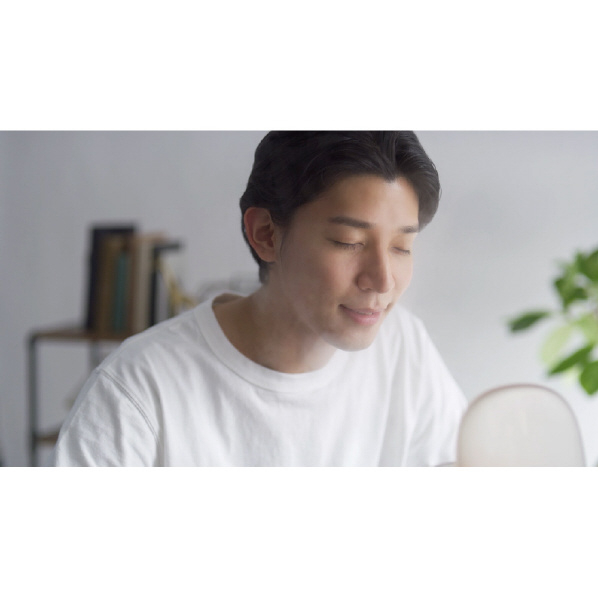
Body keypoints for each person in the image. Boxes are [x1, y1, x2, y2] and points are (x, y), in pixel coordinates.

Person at [53, 131, 466, 466]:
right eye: (348, 241)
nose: (382, 280)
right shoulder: (139, 388)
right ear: (265, 234)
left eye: (402, 247)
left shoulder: (402, 347)